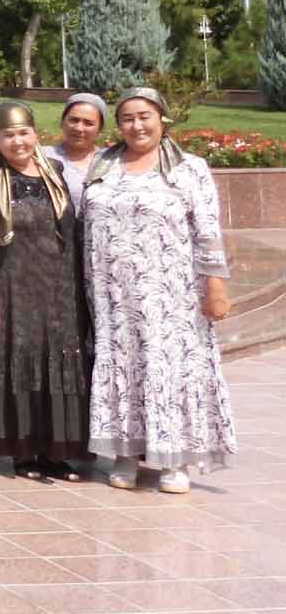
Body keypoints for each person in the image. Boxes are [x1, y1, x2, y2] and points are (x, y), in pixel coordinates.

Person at [81, 87, 236, 492]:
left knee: (169, 370)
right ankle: (125, 453)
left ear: (161, 119)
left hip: (171, 296)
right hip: (113, 297)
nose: (137, 125)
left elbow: (207, 232)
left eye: (144, 116)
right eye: (128, 118)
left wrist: (215, 287)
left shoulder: (188, 168)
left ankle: (175, 459)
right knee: (122, 370)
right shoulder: (104, 164)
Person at [0, 101, 90, 480]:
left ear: (36, 134)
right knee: (20, 365)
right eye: (8, 135)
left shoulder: (56, 173)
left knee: (60, 363)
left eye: (23, 133)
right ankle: (24, 453)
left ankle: (58, 452)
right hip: (12, 286)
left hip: (59, 288)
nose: (17, 141)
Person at [48, 92, 107, 204]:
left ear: (100, 129)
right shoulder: (44, 157)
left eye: (88, 123)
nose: (79, 128)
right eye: (74, 120)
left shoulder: (110, 160)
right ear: (62, 122)